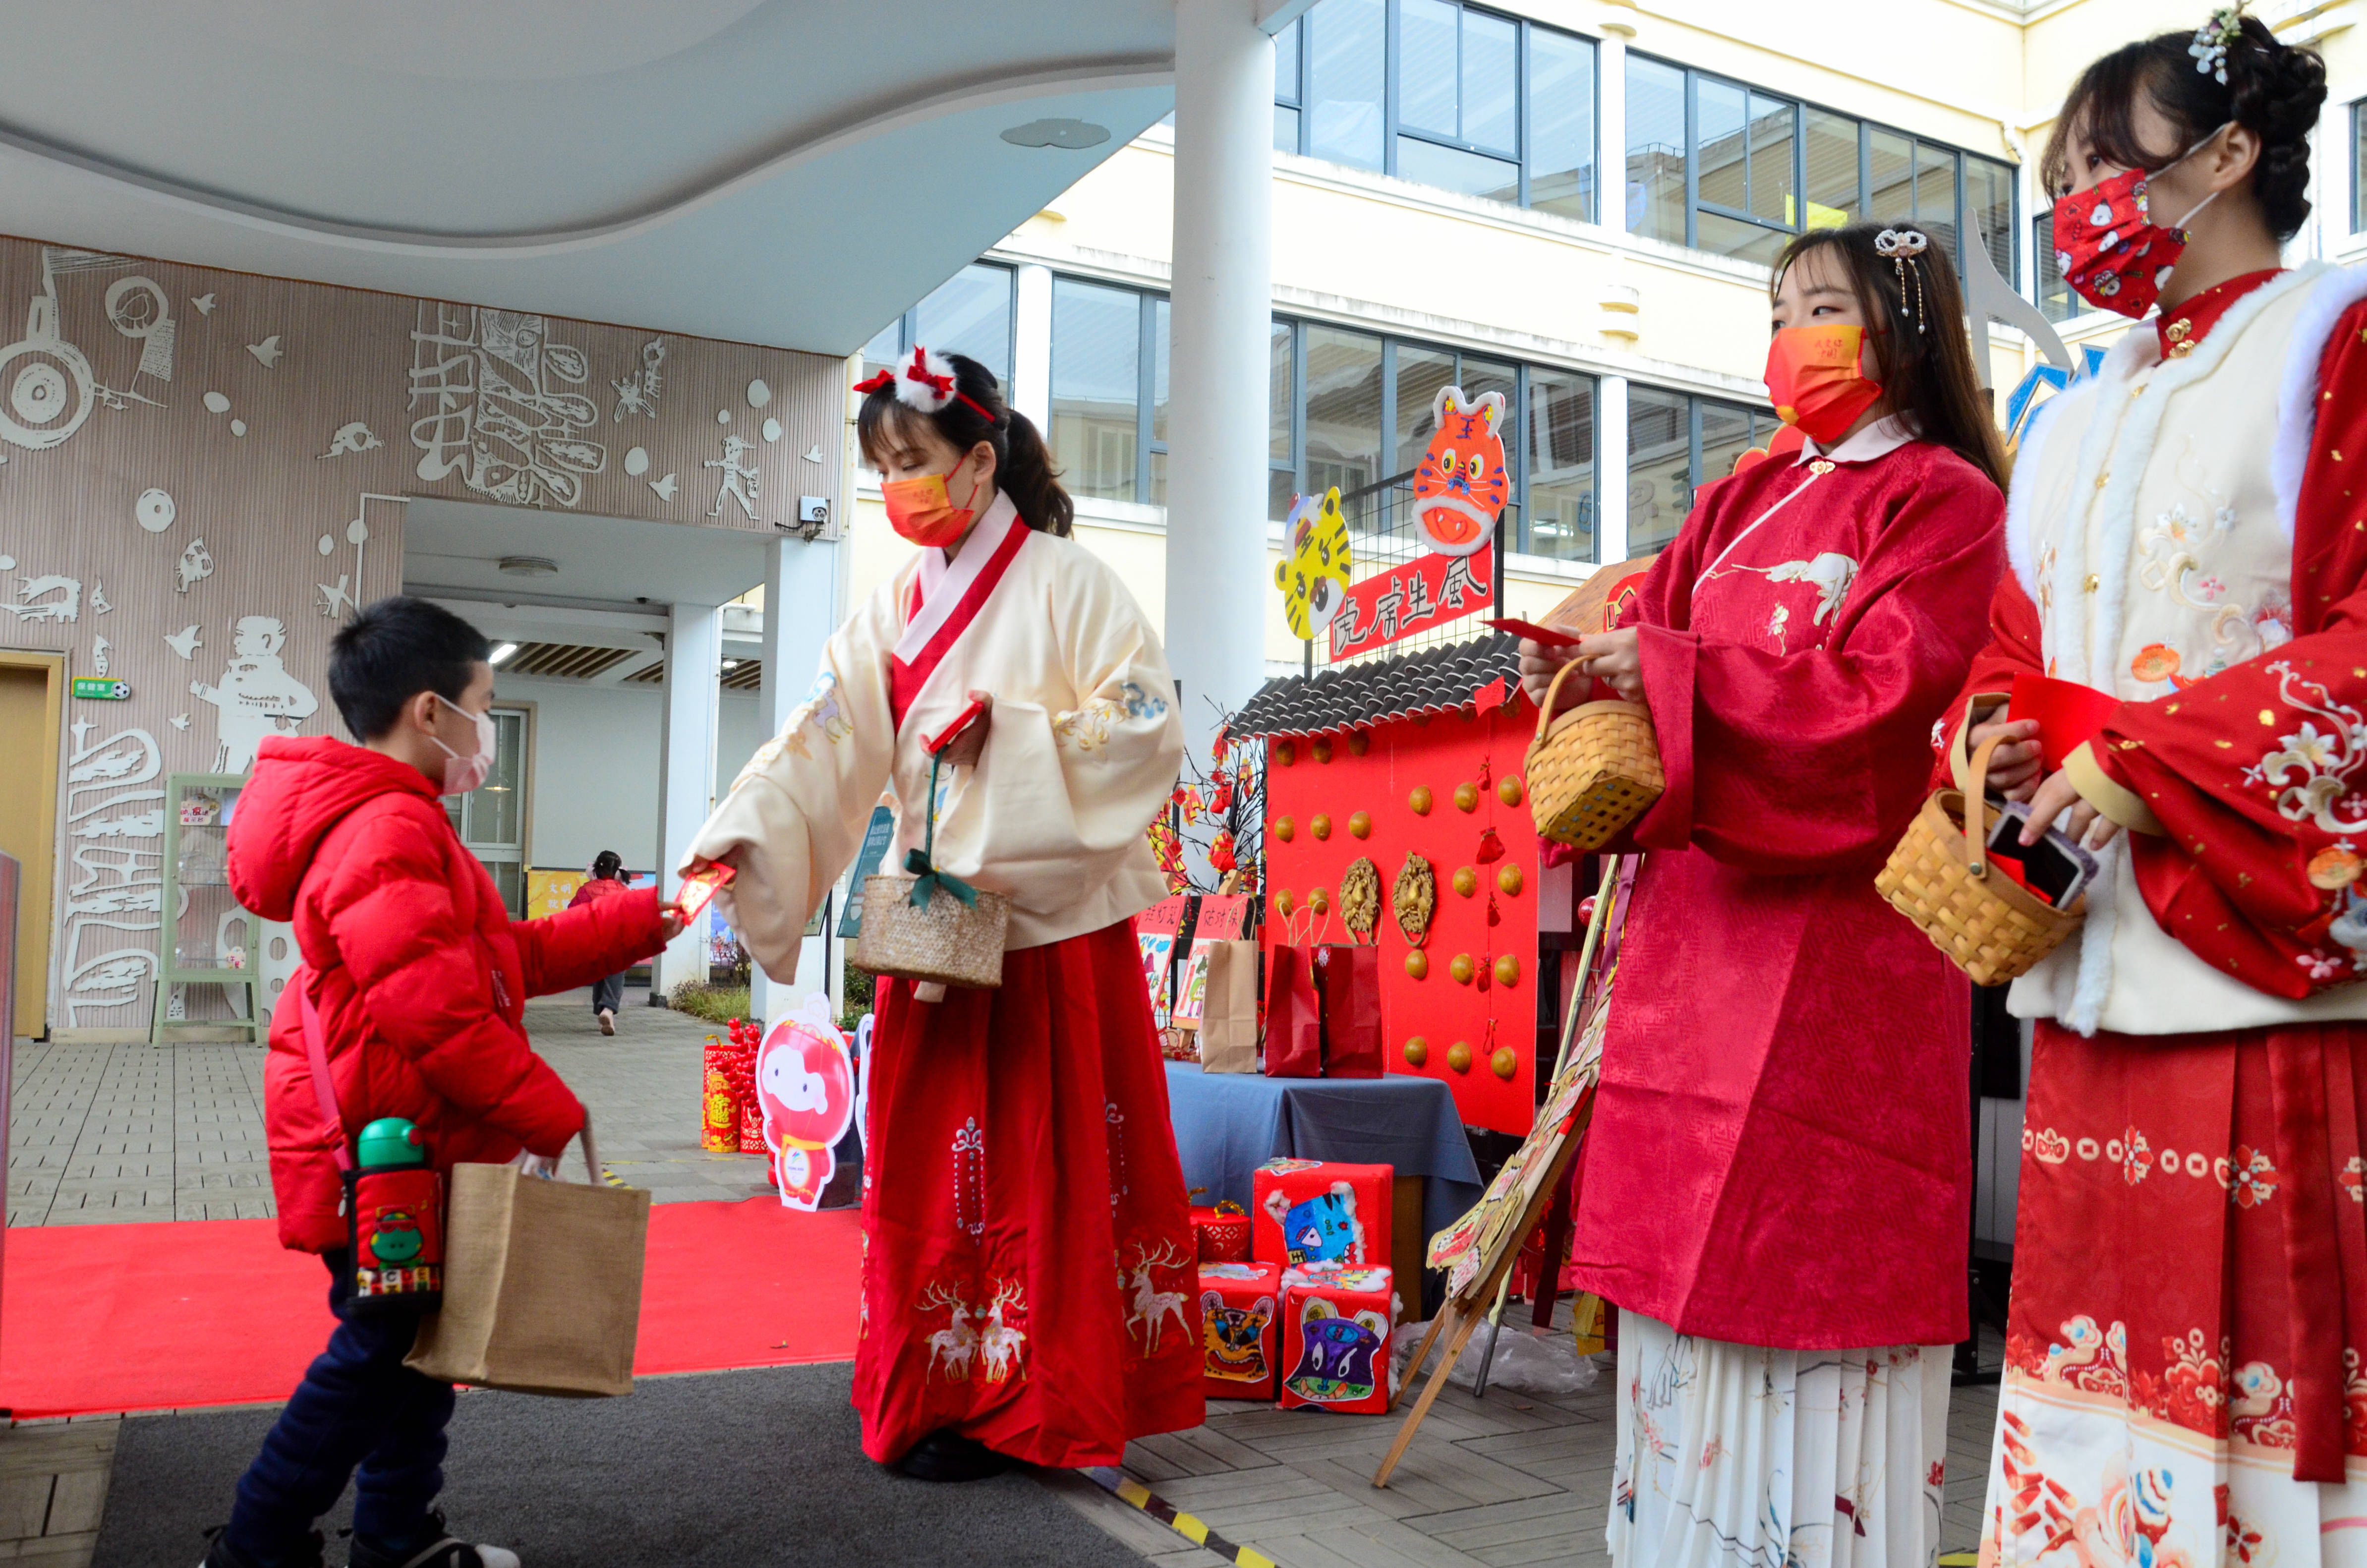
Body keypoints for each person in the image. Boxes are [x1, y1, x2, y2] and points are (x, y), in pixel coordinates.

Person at [1517, 223, 2010, 1568]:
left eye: (1824, 307)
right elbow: (1661, 630)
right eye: (1778, 307)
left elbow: (1885, 709)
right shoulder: (1740, 498)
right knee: (1686, 1310)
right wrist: (1599, 667)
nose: (1792, 336)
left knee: (1808, 1286)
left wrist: (1671, 682)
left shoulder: (1945, 501)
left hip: (1838, 966)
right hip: (1694, 950)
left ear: (1901, 326)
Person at [1945, 15, 2367, 1567]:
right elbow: (2010, 642)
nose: (2074, 208)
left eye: (2099, 166)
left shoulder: (2337, 334)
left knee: (2259, 1376)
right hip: (2091, 953)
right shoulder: (2082, 407)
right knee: (2091, 1372)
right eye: (2059, 180)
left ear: (2225, 156)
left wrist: (2136, 757)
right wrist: (1985, 738)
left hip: (2248, 947)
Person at [684, 347, 1198, 1481]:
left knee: (1035, 1161)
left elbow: (1146, 721)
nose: (898, 488)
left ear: (980, 461)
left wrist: (1008, 734)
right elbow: (828, 734)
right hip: (938, 925)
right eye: (884, 468)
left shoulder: (1072, 581)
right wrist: (751, 822)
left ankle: (1044, 1398)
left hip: (1049, 931)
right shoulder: (897, 604)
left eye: (913, 462)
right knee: (941, 1166)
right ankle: (944, 1384)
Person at [208, 597, 679, 1568]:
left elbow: (498, 959)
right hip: (385, 1160)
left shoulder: (399, 823)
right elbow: (442, 1014)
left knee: (418, 1358)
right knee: (378, 1354)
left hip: (401, 1149)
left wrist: (648, 920)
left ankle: (394, 1540)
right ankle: (255, 1546)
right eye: (485, 702)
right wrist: (549, 1109)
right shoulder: (385, 831)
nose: (488, 730)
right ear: (431, 711)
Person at [567, 850, 634, 1033]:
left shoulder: (586, 890)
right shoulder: (624, 891)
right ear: (618, 871)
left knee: (600, 977)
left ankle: (601, 1012)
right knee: (615, 977)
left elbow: (572, 912)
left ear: (596, 869)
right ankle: (608, 1009)